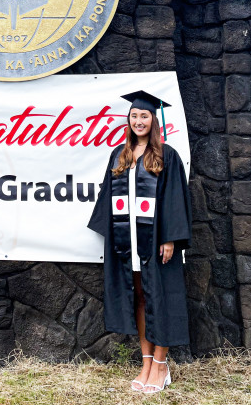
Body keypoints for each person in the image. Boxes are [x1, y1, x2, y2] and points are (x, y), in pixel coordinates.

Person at [88, 90, 192, 394]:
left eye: (144, 116)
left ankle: (161, 366)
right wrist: (114, 237)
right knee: (140, 298)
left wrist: (171, 238)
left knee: (160, 297)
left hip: (156, 241)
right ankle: (146, 363)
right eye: (134, 116)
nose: (138, 121)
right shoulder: (119, 155)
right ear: (128, 120)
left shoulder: (166, 155)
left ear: (153, 120)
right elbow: (108, 198)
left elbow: (175, 198)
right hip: (128, 243)